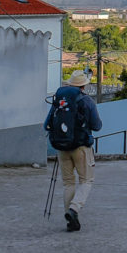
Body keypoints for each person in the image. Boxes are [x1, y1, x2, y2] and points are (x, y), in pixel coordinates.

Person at [44, 69, 102, 232]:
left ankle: (71, 221)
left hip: (62, 147)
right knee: (86, 180)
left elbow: (47, 124)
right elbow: (97, 125)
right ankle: (74, 209)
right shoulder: (87, 101)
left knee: (68, 183)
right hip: (81, 147)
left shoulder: (60, 101)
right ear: (83, 86)